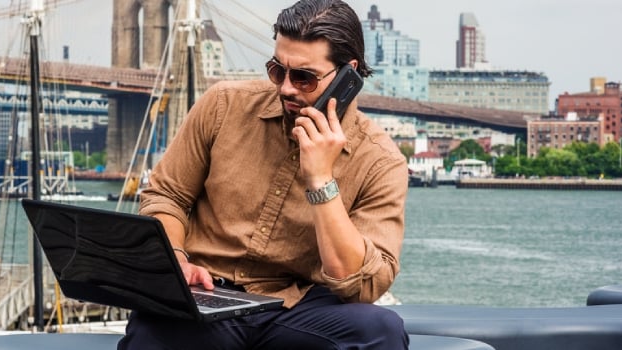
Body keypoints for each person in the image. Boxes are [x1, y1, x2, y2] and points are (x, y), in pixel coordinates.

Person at [119, 1, 409, 349]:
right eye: (277, 70)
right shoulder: (223, 106)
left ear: (348, 74)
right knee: (153, 327)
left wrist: (321, 181)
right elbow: (168, 196)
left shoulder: (380, 160)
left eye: (304, 77)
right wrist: (176, 260)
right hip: (207, 292)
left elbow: (362, 285)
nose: (286, 88)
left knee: (381, 330)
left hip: (298, 305)